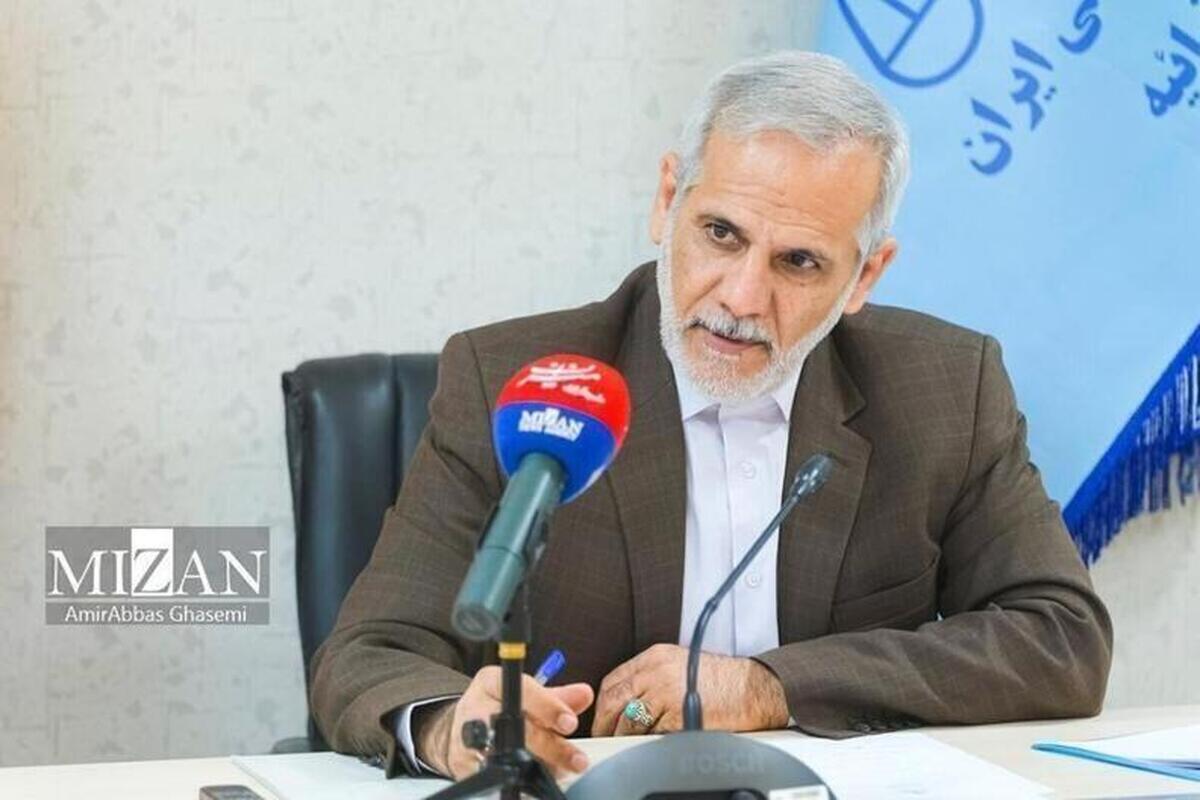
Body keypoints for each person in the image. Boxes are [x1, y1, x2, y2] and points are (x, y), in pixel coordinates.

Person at [309, 51, 1113, 781]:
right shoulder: (523, 386)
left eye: (799, 262)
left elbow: (1061, 638)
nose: (742, 297)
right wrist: (450, 725)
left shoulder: (946, 388)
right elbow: (370, 652)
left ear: (866, 275)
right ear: (668, 203)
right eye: (721, 234)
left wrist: (771, 685)